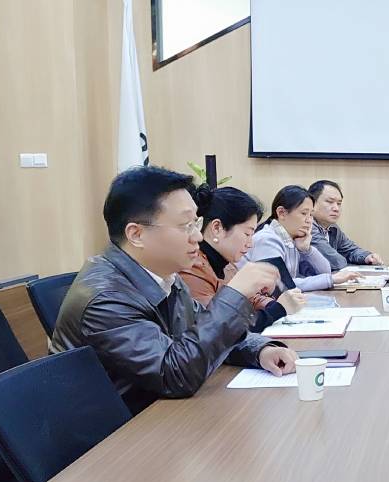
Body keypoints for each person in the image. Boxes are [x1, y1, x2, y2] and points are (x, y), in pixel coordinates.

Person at [51, 166, 298, 414]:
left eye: (196, 223)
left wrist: (261, 350)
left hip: (157, 413)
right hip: (117, 429)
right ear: (136, 234)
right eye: (185, 226)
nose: (197, 237)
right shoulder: (106, 299)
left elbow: (203, 331)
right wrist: (235, 295)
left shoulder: (164, 275)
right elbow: (175, 374)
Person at [180, 185, 307, 332]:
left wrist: (274, 303)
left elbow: (252, 299)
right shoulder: (192, 267)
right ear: (217, 228)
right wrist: (278, 309)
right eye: (247, 234)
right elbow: (216, 328)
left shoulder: (227, 265)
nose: (250, 244)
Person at [245, 185, 362, 290]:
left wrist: (307, 250)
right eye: (304, 213)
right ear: (281, 213)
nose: (309, 220)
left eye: (311, 214)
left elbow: (324, 271)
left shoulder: (293, 238)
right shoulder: (267, 239)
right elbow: (278, 286)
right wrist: (330, 279)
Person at [307, 180, 383, 270]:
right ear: (312, 203)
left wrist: (367, 257)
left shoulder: (333, 228)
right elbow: (335, 262)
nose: (336, 208)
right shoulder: (307, 227)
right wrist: (344, 259)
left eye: (339, 203)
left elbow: (350, 250)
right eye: (330, 202)